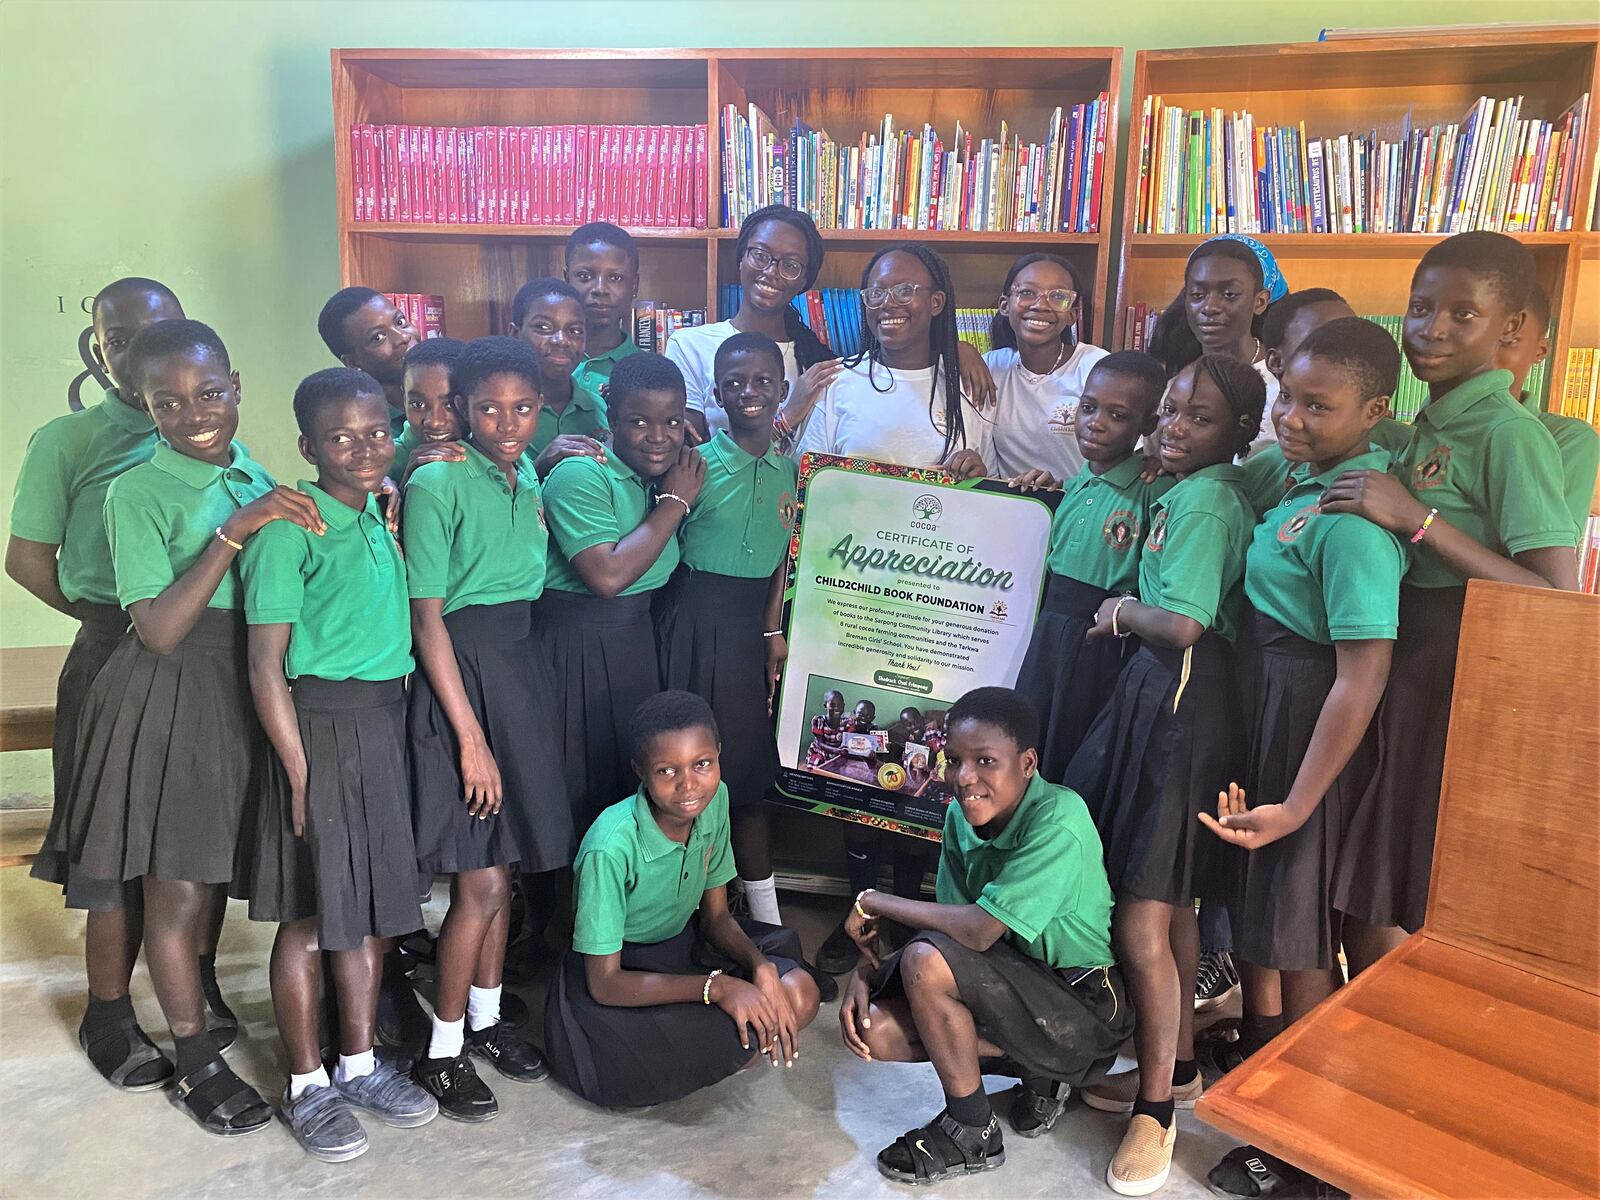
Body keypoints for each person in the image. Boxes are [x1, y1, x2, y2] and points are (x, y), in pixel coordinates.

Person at [58, 319, 323, 1136]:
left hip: (238, 687)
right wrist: (233, 532)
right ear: (145, 407)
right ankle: (195, 1063)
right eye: (167, 403)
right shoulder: (133, 490)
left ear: (236, 386)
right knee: (171, 885)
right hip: (167, 692)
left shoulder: (250, 468)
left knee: (208, 875)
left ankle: (192, 1010)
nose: (194, 413)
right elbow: (160, 628)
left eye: (209, 394)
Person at [1321, 231, 1578, 951]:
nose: (1431, 330)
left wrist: (1418, 520)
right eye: (1419, 307)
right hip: (1398, 656)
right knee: (1369, 874)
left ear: (1513, 331)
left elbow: (1556, 598)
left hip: (1457, 668)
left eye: (1462, 315)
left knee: (1416, 880)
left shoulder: (1508, 433)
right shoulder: (1417, 428)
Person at [10, 279, 238, 1090]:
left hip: (211, 660)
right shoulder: (70, 440)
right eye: (118, 335)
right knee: (112, 845)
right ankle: (108, 1007)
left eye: (158, 328)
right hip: (120, 643)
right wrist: (105, 615)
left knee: (191, 843)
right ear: (97, 347)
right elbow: (28, 559)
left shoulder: (222, 441)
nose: (137, 343)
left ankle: (196, 981)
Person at [1199, 318, 1408, 1198]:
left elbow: (1359, 680)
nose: (1292, 417)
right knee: (1275, 930)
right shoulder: (1302, 490)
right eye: (1288, 396)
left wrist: (1298, 804)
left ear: (1374, 413)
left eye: (1319, 407)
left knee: (1306, 937)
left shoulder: (1355, 528)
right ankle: (1273, 1096)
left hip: (1311, 734)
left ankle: (1311, 1153)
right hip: (1268, 711)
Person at [1066, 354, 1265, 1195]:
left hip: (1180, 705)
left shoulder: (1212, 501)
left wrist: (1115, 613)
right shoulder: (1180, 490)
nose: (1174, 426)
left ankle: (1156, 1112)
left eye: (1199, 417)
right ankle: (1177, 1062)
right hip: (1157, 699)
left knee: (1143, 916)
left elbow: (1181, 622)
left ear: (1240, 435)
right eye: (1172, 410)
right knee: (1169, 902)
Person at [243, 367, 437, 1160]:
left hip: (382, 726)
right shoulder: (291, 528)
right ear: (307, 446)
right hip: (318, 728)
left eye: (376, 433)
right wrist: (296, 770)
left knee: (367, 911)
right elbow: (264, 665)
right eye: (340, 437)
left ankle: (356, 1063)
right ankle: (304, 1085)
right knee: (311, 915)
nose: (363, 448)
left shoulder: (375, 515)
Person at [839, 687, 1132, 1184]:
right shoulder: (960, 814)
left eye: (986, 761)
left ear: (1027, 763)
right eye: (954, 760)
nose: (964, 778)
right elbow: (951, 925)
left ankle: (971, 1130)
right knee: (876, 1028)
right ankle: (1040, 1076)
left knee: (926, 963)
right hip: (1013, 979)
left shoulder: (1059, 819)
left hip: (1085, 1004)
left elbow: (975, 932)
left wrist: (873, 900)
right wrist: (870, 974)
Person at [403, 337, 573, 1120]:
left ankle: (487, 1020)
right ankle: (440, 1053)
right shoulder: (439, 480)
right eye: (489, 408)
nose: (508, 423)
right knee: (477, 881)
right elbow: (427, 621)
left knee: (503, 875)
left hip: (520, 673)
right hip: (461, 680)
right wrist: (469, 738)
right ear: (461, 410)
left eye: (524, 408)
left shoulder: (528, 470)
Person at [543, 691, 821, 1109]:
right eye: (666, 770)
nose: (688, 785)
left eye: (702, 764)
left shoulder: (716, 800)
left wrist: (757, 966)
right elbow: (605, 983)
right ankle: (715, 1049)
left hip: (684, 947)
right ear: (641, 771)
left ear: (719, 755)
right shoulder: (610, 847)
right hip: (622, 975)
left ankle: (723, 1046)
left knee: (797, 992)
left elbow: (716, 918)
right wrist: (717, 987)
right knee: (725, 1031)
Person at [657, 333, 797, 934]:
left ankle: (766, 922)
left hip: (744, 634)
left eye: (763, 381)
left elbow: (781, 564)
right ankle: (674, 915)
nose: (749, 393)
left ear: (782, 390)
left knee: (743, 778)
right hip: (686, 624)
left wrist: (771, 631)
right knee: (677, 766)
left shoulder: (795, 472)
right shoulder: (693, 465)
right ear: (715, 394)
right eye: (734, 383)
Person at [536, 352, 703, 832]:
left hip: (633, 644)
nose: (658, 436)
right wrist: (674, 504)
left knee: (623, 782)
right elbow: (606, 576)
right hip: (576, 646)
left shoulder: (657, 475)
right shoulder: (581, 473)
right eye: (639, 421)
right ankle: (561, 906)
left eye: (672, 421)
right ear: (609, 419)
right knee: (574, 790)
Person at [1011, 351, 1170, 781]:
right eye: (1088, 407)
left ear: (1147, 427)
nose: (1095, 422)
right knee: (1028, 738)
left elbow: (1153, 574)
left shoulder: (1153, 488)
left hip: (1098, 638)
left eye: (1117, 415)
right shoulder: (1077, 479)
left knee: (1072, 749)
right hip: (1048, 628)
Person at [794, 243, 992, 479]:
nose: (887, 303)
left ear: (936, 302)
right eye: (876, 293)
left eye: (904, 291)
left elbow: (991, 491)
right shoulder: (837, 382)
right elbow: (807, 481)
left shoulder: (969, 385)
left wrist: (979, 479)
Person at [664, 205, 840, 449]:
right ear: (741, 259)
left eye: (790, 265)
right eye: (760, 255)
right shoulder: (689, 346)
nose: (770, 271)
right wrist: (787, 417)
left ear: (803, 281)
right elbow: (688, 455)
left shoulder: (816, 365)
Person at [1240, 288, 1413, 517]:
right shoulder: (1267, 466)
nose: (1344, 348)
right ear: (1275, 362)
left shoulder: (1405, 449)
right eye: (1320, 340)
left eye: (1355, 337)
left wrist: (1421, 524)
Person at [1148, 235, 1282, 454]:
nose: (1209, 307)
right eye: (1197, 295)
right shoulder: (1174, 386)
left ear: (1260, 301)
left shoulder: (1283, 383)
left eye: (1229, 294)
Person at [984, 253, 1109, 480]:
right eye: (1027, 293)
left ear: (1072, 314)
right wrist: (963, 349)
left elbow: (1124, 456)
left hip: (1079, 507)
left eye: (1058, 296)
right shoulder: (991, 367)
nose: (1041, 305)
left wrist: (1061, 487)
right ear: (1005, 304)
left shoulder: (1096, 367)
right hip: (1011, 506)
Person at [1496, 282, 1599, 535]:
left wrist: (1423, 522)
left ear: (1540, 351)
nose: (1483, 355)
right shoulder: (1412, 433)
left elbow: (1543, 559)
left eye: (1506, 341)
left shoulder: (1565, 439)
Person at [508, 277, 609, 454]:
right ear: (514, 334)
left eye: (575, 331)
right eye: (543, 327)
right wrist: (541, 466)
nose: (561, 341)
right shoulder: (496, 411)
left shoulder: (599, 408)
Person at [316, 286, 418, 437]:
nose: (403, 337)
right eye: (378, 338)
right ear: (353, 363)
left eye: (400, 322)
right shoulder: (363, 432)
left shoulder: (455, 389)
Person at [566, 221, 643, 391]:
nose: (600, 289)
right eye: (585, 276)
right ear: (567, 280)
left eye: (615, 278)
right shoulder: (546, 363)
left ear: (634, 286)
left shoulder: (646, 374)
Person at [393, 336, 467, 472]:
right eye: (417, 404)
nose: (434, 423)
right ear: (404, 398)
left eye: (450, 405)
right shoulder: (382, 462)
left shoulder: (495, 449)